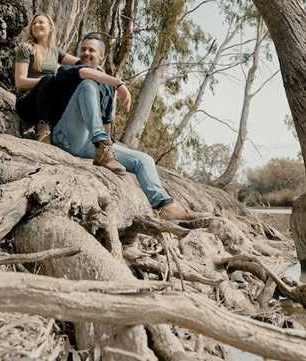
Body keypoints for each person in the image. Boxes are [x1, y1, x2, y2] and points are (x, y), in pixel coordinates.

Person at [51, 33, 204, 221]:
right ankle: (103, 146)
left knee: (144, 159)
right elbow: (69, 64)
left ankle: (164, 205)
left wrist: (109, 154)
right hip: (64, 135)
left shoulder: (108, 89)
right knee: (88, 85)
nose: (86, 53)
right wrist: (120, 83)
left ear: (102, 57)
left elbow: (107, 124)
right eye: (83, 49)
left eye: (92, 50)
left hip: (87, 144)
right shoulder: (70, 70)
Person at [13, 14, 79, 142]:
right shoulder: (26, 48)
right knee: (49, 79)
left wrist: (97, 68)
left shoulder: (55, 52)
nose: (36, 25)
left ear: (50, 28)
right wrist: (47, 82)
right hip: (27, 103)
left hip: (48, 104)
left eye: (41, 22)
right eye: (34, 23)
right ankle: (43, 129)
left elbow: (79, 64)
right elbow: (20, 81)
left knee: (69, 79)